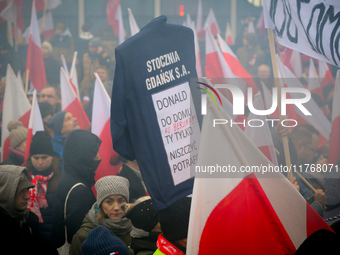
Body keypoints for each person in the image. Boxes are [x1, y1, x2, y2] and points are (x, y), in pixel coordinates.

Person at [52, 129, 102, 249]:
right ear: (83, 155)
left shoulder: (68, 175)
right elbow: (81, 235)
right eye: (94, 153)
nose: (98, 157)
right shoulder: (79, 190)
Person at [70, 175, 133, 255]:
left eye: (121, 201)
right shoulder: (83, 236)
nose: (116, 207)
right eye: (109, 202)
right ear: (100, 205)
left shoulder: (135, 228)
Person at [25, 131, 62, 255]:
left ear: (52, 156)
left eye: (44, 157)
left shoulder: (61, 177)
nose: (40, 162)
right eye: (36, 158)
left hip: (54, 242)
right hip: (31, 241)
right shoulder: (24, 177)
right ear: (30, 158)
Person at [0, 165, 42, 254]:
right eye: (20, 191)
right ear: (3, 190)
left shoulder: (29, 220)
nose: (27, 196)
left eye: (27, 190)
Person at [291, 124, 326, 216]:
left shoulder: (299, 170)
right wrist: (317, 203)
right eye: (313, 150)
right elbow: (299, 222)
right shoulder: (290, 179)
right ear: (300, 146)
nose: (315, 155)